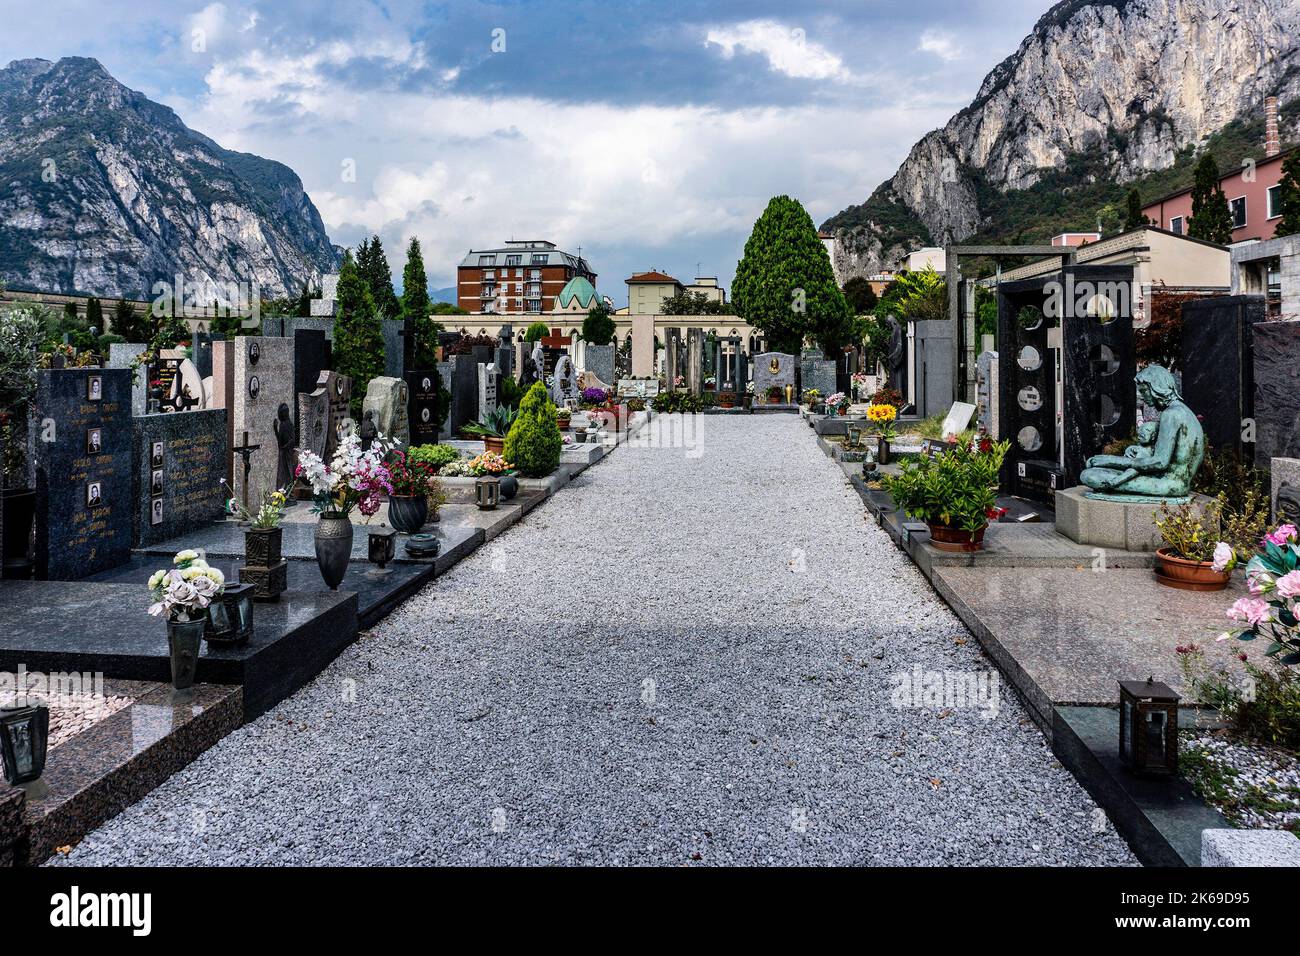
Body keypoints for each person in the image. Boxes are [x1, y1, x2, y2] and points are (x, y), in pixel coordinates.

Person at [1080, 365, 1205, 501]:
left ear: (1156, 389)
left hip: (1169, 484)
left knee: (1090, 475)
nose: (1143, 397)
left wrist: (1110, 460)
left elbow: (1159, 462)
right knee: (1098, 471)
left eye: (1144, 391)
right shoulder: (1184, 412)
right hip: (1172, 480)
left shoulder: (1171, 414)